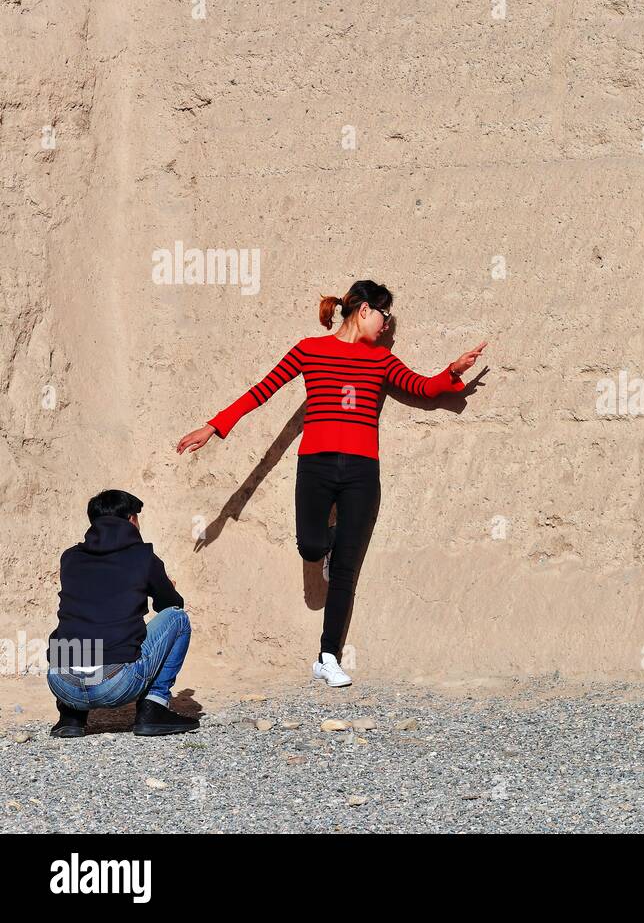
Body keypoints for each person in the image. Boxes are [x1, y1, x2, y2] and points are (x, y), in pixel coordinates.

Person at [176, 279, 485, 686]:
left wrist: (453, 372)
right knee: (311, 544)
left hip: (361, 471)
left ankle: (327, 657)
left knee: (345, 571)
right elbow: (262, 391)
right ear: (364, 311)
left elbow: (423, 388)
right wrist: (214, 426)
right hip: (316, 465)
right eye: (384, 316)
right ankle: (327, 547)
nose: (386, 326)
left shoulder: (382, 360)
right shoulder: (310, 350)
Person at [47, 490, 199, 737]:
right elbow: (170, 605)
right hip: (115, 686)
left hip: (61, 683)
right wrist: (167, 588)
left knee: (76, 624)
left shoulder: (70, 558)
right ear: (131, 520)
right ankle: (154, 708)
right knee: (178, 619)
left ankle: (71, 716)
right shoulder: (143, 557)